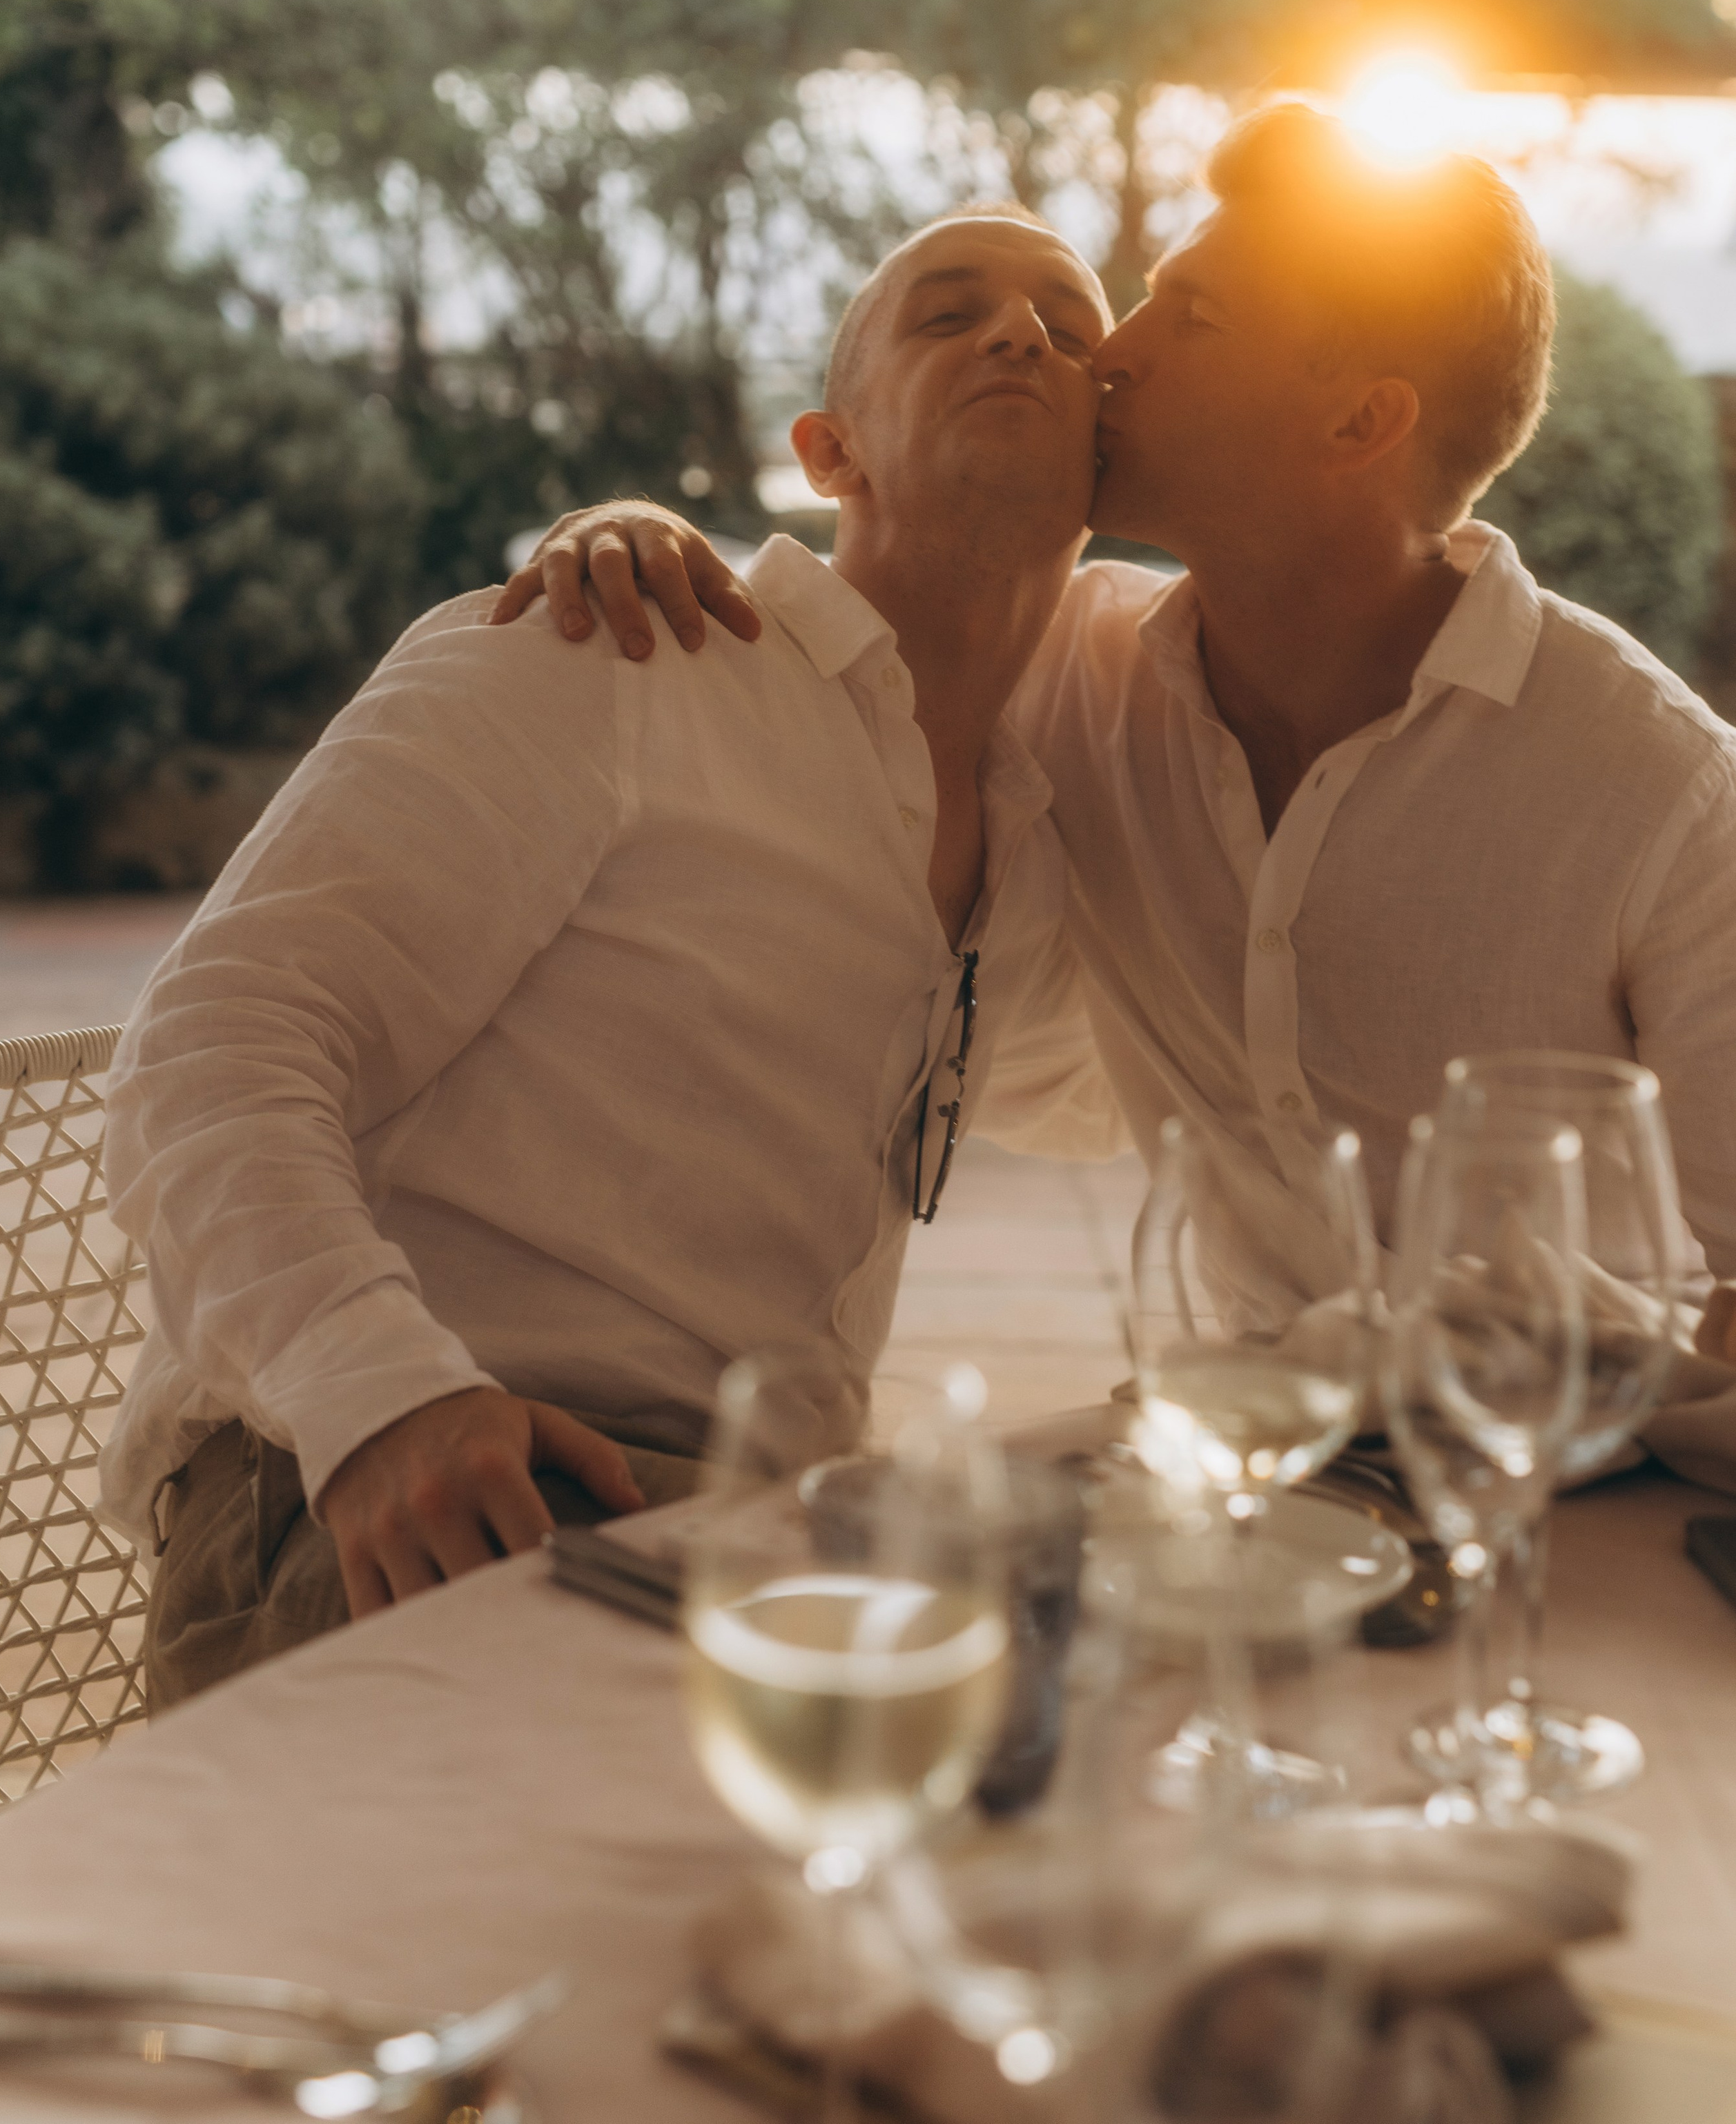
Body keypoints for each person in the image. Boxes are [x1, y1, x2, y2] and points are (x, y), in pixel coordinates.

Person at [102, 204, 1127, 1707]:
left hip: (744, 1543)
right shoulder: (611, 650)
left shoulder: (1046, 831)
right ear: (830, 452)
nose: (1020, 333)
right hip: (434, 1488)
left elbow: (1162, 1085)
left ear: (1119, 450)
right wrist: (382, 1399)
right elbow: (214, 1043)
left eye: (1069, 325)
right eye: (946, 313)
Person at [505, 104, 1736, 1312]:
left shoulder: (1667, 798)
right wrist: (625, 531)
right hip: (1243, 1461)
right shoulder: (1065, 673)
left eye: (1189, 315)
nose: (1113, 352)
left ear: (1360, 420)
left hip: (1574, 1473)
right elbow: (840, 627)